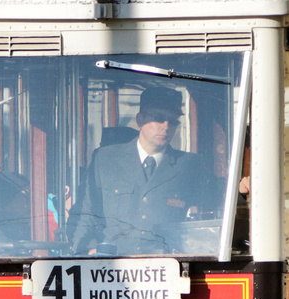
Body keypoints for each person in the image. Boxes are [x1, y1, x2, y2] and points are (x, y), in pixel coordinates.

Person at [68, 86, 214, 254]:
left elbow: (223, 198)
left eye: (173, 121)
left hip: (165, 268)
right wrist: (84, 253)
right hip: (111, 268)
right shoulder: (105, 159)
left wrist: (243, 187)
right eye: (159, 118)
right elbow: (84, 212)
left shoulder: (189, 165)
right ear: (140, 120)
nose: (166, 126)